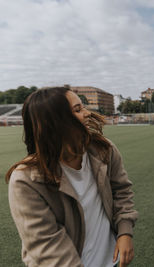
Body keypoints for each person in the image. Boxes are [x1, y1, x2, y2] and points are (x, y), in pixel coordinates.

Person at [6, 87, 138, 267]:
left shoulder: (103, 149)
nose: (87, 114)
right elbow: (47, 246)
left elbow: (122, 191)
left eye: (83, 107)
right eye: (77, 110)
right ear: (55, 121)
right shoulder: (25, 180)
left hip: (112, 261)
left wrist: (124, 232)